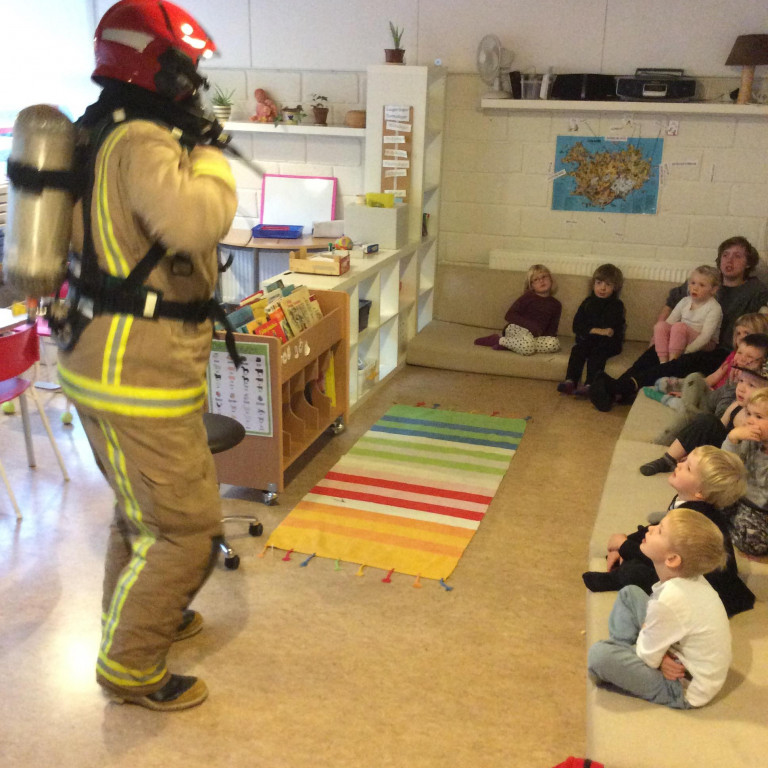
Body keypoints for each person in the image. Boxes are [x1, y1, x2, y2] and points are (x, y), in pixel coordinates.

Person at [56, 0, 237, 711]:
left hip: (103, 359)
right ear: (154, 67)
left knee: (144, 516)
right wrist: (213, 158)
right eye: (185, 72)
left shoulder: (97, 129)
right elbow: (193, 222)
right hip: (137, 372)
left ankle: (144, 615)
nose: (192, 86)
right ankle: (130, 665)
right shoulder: (142, 140)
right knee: (187, 532)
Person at [590, 236, 768, 411]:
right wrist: (657, 335)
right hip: (683, 336)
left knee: (681, 362)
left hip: (720, 350)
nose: (729, 260)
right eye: (725, 255)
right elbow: (672, 301)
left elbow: (763, 323)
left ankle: (617, 387)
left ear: (748, 263)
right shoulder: (706, 279)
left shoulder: (755, 290)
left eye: (737, 256)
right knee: (653, 353)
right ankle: (616, 390)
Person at [583, 446, 753, 617]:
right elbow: (660, 528)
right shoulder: (686, 500)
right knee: (646, 546)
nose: (679, 464)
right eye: (685, 460)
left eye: (688, 468)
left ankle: (614, 579)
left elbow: (664, 555)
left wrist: (624, 546)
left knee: (636, 572)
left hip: (704, 588)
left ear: (700, 492)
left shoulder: (694, 516)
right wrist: (625, 541)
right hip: (681, 564)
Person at [588, 507, 731, 709]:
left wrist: (658, 658)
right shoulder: (690, 579)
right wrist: (660, 654)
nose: (651, 528)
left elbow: (648, 655)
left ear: (672, 559)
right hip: (675, 652)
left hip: (681, 686)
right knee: (630, 593)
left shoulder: (671, 599)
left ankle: (622, 657)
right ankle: (624, 651)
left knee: (599, 656)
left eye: (660, 530)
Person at [640, 366, 768, 476]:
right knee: (707, 421)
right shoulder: (735, 406)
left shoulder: (761, 424)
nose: (741, 388)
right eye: (741, 381)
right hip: (721, 450)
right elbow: (716, 429)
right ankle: (668, 460)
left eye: (751, 385)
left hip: (736, 463)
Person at [557, 264, 625, 397]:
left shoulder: (616, 305)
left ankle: (590, 385)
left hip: (608, 343)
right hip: (588, 340)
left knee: (597, 354)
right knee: (577, 350)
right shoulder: (587, 302)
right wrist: (597, 330)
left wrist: (591, 329)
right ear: (593, 284)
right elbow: (577, 325)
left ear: (615, 287)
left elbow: (609, 329)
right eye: (599, 283)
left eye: (608, 284)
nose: (602, 288)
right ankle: (570, 381)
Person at [474, 264, 562, 355]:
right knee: (528, 346)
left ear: (551, 279)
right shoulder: (527, 297)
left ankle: (512, 345)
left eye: (544, 277)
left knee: (554, 344)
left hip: (535, 336)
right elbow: (509, 315)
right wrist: (530, 326)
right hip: (517, 329)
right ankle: (497, 340)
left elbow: (552, 329)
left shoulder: (556, 304)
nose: (541, 281)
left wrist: (547, 338)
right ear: (531, 286)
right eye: (536, 279)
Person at [722, 388, 768, 556]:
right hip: (737, 496)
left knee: (753, 542)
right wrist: (733, 439)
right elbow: (726, 467)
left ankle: (722, 529)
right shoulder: (750, 440)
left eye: (758, 417)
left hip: (760, 511)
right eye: (748, 414)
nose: (749, 421)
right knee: (707, 496)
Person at [652, 265, 722, 363]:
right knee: (661, 326)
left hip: (705, 343)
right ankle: (663, 362)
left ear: (713, 289)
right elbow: (669, 323)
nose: (695, 288)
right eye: (693, 283)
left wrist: (687, 350)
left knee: (679, 327)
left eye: (702, 285)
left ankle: (673, 361)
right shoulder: (685, 301)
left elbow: (705, 337)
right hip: (682, 337)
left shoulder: (714, 308)